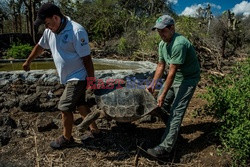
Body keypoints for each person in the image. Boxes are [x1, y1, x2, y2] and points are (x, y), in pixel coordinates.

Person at [22, 3, 100, 149]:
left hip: (78, 77)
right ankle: (95, 130)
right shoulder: (49, 32)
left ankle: (67, 138)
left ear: (56, 18)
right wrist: (28, 61)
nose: (47, 27)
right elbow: (40, 47)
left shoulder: (76, 31)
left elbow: (87, 58)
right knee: (80, 104)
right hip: (68, 77)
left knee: (64, 106)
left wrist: (91, 80)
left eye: (48, 23)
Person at [146, 15, 200, 158]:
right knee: (160, 105)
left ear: (172, 28)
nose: (160, 34)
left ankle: (165, 148)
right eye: (158, 31)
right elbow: (161, 65)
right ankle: (170, 127)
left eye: (163, 30)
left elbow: (172, 73)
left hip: (188, 79)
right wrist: (153, 84)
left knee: (176, 111)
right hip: (175, 77)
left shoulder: (179, 44)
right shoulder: (162, 44)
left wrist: (162, 93)